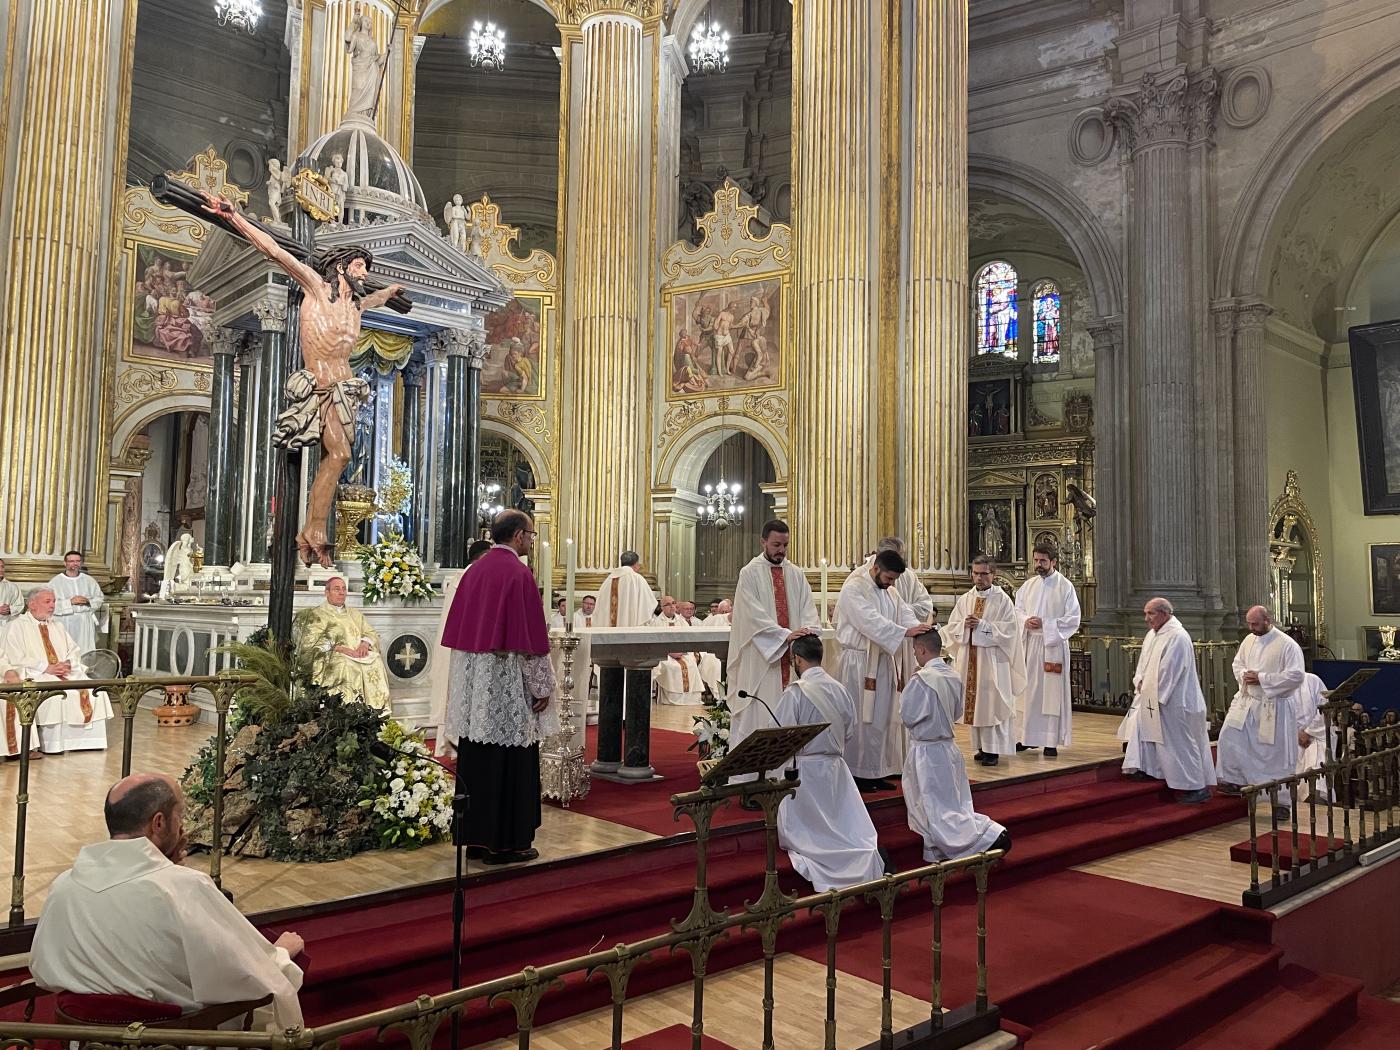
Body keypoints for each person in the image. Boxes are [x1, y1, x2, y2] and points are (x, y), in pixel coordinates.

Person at [199, 193, 405, 567]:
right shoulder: (313, 286)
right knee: (331, 455)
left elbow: (374, 299)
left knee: (340, 456)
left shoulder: (355, 304)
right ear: (340, 267)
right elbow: (276, 252)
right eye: (358, 265)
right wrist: (235, 218)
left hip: (345, 390)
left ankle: (312, 528)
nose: (363, 272)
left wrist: (389, 293)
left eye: (364, 268)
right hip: (317, 386)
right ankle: (312, 530)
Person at [30, 773, 304, 1029]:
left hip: (86, 1040)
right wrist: (280, 954)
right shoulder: (183, 887)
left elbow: (43, 969)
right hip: (170, 1040)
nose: (182, 826)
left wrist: (164, 865)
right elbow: (243, 975)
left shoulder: (64, 885)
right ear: (158, 822)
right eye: (180, 816)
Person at [441, 511, 557, 864]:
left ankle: (476, 839)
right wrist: (542, 686)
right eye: (532, 536)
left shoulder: (474, 571)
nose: (531, 543)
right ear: (519, 535)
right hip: (507, 680)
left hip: (476, 684)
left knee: (477, 756)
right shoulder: (518, 573)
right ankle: (509, 843)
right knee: (511, 761)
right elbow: (531, 640)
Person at [773, 635, 884, 890]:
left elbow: (781, 733)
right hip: (836, 769)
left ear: (797, 660)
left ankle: (826, 861)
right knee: (843, 825)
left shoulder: (796, 692)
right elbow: (849, 731)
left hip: (805, 774)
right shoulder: (840, 689)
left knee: (811, 836)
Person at [901, 631, 1011, 862]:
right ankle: (980, 835)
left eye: (915, 651)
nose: (915, 655)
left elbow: (909, 716)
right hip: (948, 749)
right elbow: (959, 711)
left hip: (926, 752)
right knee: (953, 802)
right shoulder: (953, 675)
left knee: (935, 808)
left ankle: (983, 836)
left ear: (921, 649)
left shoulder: (921, 679)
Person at [727, 520, 821, 783]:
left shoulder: (795, 573)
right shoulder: (750, 573)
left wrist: (806, 631)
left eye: (785, 545)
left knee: (789, 717)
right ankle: (749, 781)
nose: (781, 550)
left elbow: (807, 608)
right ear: (763, 542)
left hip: (791, 659)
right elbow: (751, 615)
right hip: (761, 660)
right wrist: (783, 635)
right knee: (759, 716)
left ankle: (782, 777)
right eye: (776, 545)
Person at [835, 548, 929, 792]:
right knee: (861, 719)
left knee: (882, 718)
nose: (891, 584)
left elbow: (905, 614)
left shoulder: (891, 592)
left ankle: (876, 771)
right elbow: (869, 620)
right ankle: (857, 773)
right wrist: (903, 632)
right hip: (860, 662)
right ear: (876, 568)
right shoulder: (853, 588)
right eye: (888, 578)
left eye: (894, 579)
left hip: (883, 660)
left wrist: (920, 627)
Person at [1119, 598, 1215, 803]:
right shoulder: (1153, 635)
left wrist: (1152, 691)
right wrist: (1140, 683)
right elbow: (1142, 666)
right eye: (1145, 613)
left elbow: (1171, 670)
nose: (1146, 619)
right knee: (1151, 735)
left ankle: (1197, 787)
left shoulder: (1178, 636)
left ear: (1165, 613)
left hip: (1175, 701)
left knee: (1181, 744)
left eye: (1150, 614)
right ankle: (1153, 769)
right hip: (1153, 697)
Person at [3, 587, 113, 754]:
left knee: (95, 692)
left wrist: (68, 664)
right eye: (48, 602)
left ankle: (88, 741)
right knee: (56, 696)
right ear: (32, 604)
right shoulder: (16, 626)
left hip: (65, 673)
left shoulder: (57, 626)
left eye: (54, 601)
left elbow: (74, 650)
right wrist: (46, 667)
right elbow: (14, 657)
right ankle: (52, 744)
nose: (53, 606)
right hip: (36, 675)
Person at [1217, 606, 1305, 814]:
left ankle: (1280, 802)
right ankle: (1234, 780)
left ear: (1268, 620)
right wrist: (1244, 675)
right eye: (1248, 623)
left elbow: (1296, 676)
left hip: (1274, 707)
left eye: (1254, 624)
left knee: (1274, 757)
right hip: (1247, 702)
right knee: (1228, 736)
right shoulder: (1249, 640)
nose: (1250, 628)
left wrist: (1262, 678)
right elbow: (1237, 664)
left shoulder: (1287, 645)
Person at [940, 556, 1021, 766]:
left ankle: (993, 750)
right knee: (976, 706)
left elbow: (1010, 631)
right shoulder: (966, 598)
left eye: (984, 573)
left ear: (993, 574)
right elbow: (952, 627)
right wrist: (963, 626)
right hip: (970, 660)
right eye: (975, 573)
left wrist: (983, 625)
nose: (979, 578)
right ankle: (981, 747)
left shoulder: (1002, 599)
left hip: (993, 662)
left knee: (992, 704)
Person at [1014, 543, 1081, 756]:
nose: (1038, 565)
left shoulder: (1065, 586)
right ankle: (1026, 737)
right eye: (1036, 560)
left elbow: (1073, 619)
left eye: (1043, 561)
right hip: (1030, 645)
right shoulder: (1028, 586)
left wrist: (1046, 625)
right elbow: (1017, 610)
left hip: (1052, 646)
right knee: (1029, 692)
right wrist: (1025, 620)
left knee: (1050, 694)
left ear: (1053, 561)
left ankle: (1050, 741)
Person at [428, 539, 492, 755]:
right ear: (481, 557)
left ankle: (454, 744)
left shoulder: (461, 577)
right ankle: (458, 744)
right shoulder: (471, 577)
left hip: (456, 643)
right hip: (466, 645)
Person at [293, 576, 390, 709]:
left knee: (376, 660)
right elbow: (311, 641)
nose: (342, 592)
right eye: (337, 589)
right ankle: (348, 712)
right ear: (326, 593)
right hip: (332, 655)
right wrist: (340, 649)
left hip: (357, 654)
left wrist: (364, 644)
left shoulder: (354, 613)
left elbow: (370, 632)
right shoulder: (317, 614)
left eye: (344, 589)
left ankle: (376, 712)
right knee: (347, 665)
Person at [49, 550, 106, 655]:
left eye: (78, 561)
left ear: (81, 563)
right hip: (65, 621)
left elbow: (99, 598)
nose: (75, 564)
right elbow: (49, 604)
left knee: (85, 651)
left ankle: (85, 670)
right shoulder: (55, 582)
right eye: (71, 561)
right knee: (65, 651)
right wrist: (70, 602)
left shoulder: (89, 580)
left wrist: (88, 601)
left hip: (84, 621)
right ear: (65, 563)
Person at [651, 595, 702, 705]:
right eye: (668, 604)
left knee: (691, 665)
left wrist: (682, 651)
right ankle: (672, 698)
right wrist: (669, 652)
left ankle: (690, 699)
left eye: (673, 603)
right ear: (662, 607)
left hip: (682, 653)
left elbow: (689, 638)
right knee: (671, 667)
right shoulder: (656, 623)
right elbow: (654, 643)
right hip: (664, 654)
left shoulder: (682, 621)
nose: (672, 606)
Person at [1295, 672, 1335, 803]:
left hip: (1315, 739)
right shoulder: (1277, 685)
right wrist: (1295, 733)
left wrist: (1308, 732)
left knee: (1316, 783)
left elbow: (1325, 708)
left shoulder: (1312, 680)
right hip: (1291, 741)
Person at [0, 559, 22, 639]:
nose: (1, 570)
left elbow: (20, 605)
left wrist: (10, 610)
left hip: (7, 628)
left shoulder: (13, 587)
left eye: (2, 567)